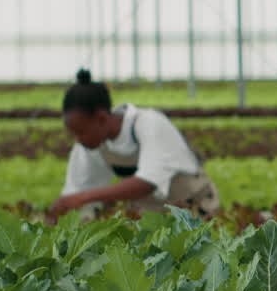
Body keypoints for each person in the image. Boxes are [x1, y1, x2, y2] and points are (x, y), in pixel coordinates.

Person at [50, 69, 219, 220]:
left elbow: (146, 183)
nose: (77, 140)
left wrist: (84, 197)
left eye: (80, 132)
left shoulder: (148, 123)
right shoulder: (91, 144)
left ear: (101, 118)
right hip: (155, 217)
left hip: (196, 208)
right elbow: (76, 191)